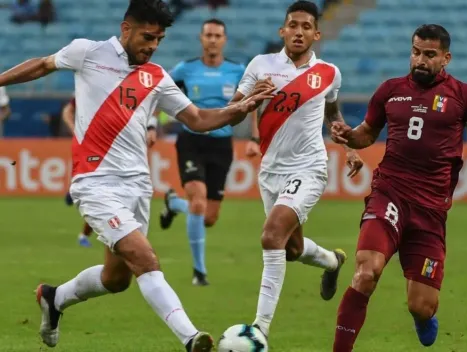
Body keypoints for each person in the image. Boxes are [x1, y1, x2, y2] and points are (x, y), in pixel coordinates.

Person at [0, 0, 273, 351]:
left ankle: (54, 298)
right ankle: (191, 338)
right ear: (126, 28)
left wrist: (240, 108)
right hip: (94, 182)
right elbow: (41, 65)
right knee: (146, 259)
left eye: (158, 39)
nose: (153, 45)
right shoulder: (87, 52)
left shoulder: (156, 77)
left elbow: (198, 120)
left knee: (116, 279)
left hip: (137, 187)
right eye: (147, 37)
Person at [330, 24, 467, 351]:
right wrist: (348, 136)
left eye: (429, 55)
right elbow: (366, 133)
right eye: (416, 52)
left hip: (431, 211)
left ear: (446, 58)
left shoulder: (461, 95)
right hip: (389, 193)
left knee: (422, 304)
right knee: (367, 271)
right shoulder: (390, 90)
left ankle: (422, 316)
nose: (420, 60)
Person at [231, 0, 364, 339]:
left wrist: (347, 146)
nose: (299, 31)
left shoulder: (328, 73)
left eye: (306, 26)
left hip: (309, 167)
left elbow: (333, 116)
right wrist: (250, 102)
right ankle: (332, 262)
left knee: (271, 235)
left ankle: (258, 330)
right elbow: (232, 111)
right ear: (283, 30)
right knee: (289, 249)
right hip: (271, 171)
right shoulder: (261, 65)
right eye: (293, 25)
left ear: (316, 34)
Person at [159, 18, 248, 286]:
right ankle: (200, 272)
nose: (212, 39)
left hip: (222, 145)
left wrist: (255, 137)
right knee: (198, 202)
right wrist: (153, 124)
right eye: (208, 34)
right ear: (201, 38)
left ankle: (174, 204)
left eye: (217, 35)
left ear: (224, 40)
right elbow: (157, 90)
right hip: (192, 140)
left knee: (208, 217)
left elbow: (253, 103)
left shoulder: (237, 70)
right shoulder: (186, 68)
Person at [62, 97, 159, 248]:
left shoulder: (127, 89)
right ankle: (96, 235)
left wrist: (151, 127)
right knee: (100, 196)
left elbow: (146, 107)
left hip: (121, 150)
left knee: (109, 200)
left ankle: (101, 235)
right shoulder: (91, 87)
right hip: (95, 147)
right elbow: (68, 110)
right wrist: (75, 130)